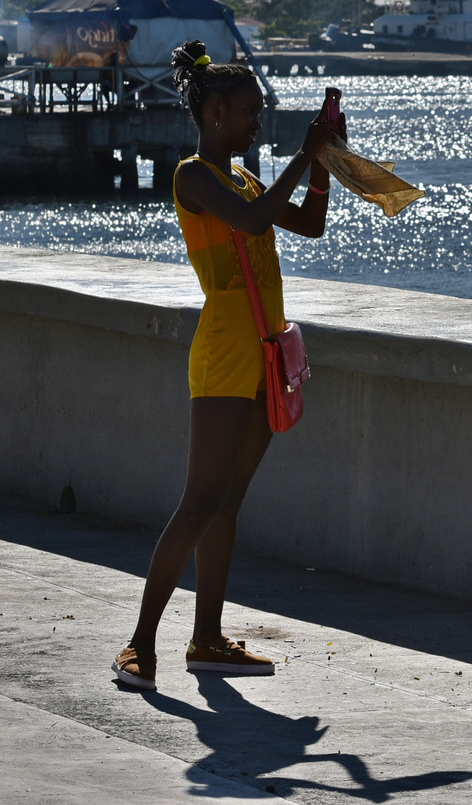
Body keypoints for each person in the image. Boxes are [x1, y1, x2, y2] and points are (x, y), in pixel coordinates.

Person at [112, 40, 336, 691]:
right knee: (199, 501)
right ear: (213, 113)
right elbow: (253, 219)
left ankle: (206, 638)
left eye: (259, 112)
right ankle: (139, 645)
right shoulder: (195, 177)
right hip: (224, 352)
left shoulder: (244, 177)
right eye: (248, 112)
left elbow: (311, 223)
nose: (256, 123)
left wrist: (320, 165)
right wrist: (304, 153)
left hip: (264, 347)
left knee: (228, 503)